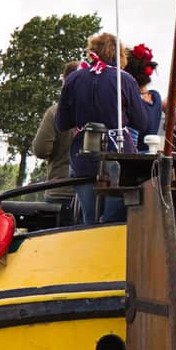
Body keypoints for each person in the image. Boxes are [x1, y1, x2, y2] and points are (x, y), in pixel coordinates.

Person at [55, 31, 144, 224]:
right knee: (114, 219)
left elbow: (62, 123)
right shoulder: (125, 80)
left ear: (92, 52)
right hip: (118, 157)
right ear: (119, 55)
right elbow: (141, 122)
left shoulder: (73, 80)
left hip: (83, 155)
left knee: (89, 219)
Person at [31, 61, 84, 209]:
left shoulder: (55, 112)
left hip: (60, 189)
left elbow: (41, 149)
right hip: (91, 191)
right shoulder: (99, 111)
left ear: (64, 81)